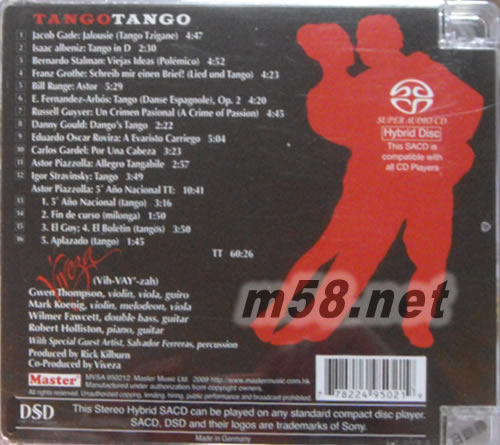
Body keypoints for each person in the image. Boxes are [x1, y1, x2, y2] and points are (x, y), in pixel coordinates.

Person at [251, 15, 484, 348]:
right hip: (375, 190)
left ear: (391, 42)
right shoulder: (364, 85)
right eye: (361, 42)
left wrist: (447, 147)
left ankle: (416, 324)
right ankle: (308, 322)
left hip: (425, 188)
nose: (361, 49)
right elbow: (336, 128)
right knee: (353, 258)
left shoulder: (425, 73)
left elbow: (472, 105)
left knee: (427, 257)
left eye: (365, 42)